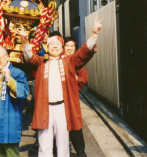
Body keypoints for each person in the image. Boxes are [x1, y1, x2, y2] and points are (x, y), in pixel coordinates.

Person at [18, 18, 104, 157]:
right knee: (44, 145)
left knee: (63, 145)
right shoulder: (40, 62)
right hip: (45, 109)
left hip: (63, 108)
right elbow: (28, 57)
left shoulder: (69, 61)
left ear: (62, 47)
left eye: (58, 44)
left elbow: (82, 53)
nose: (55, 46)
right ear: (47, 47)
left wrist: (94, 34)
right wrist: (25, 41)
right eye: (51, 44)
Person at [64, 36, 88, 157]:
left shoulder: (77, 62)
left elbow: (84, 78)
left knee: (75, 125)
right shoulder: (59, 60)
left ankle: (80, 151)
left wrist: (74, 83)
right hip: (58, 99)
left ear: (75, 48)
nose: (69, 48)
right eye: (67, 46)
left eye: (72, 46)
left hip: (71, 99)